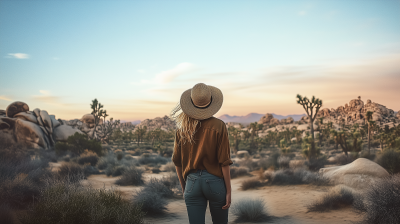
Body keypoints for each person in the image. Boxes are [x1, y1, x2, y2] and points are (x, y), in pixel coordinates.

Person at [171, 83, 233, 224]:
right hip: (215, 182)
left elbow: (177, 162)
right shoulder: (219, 126)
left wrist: (184, 187)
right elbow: (224, 161)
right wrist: (228, 191)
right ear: (211, 102)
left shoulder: (182, 129)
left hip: (192, 183)